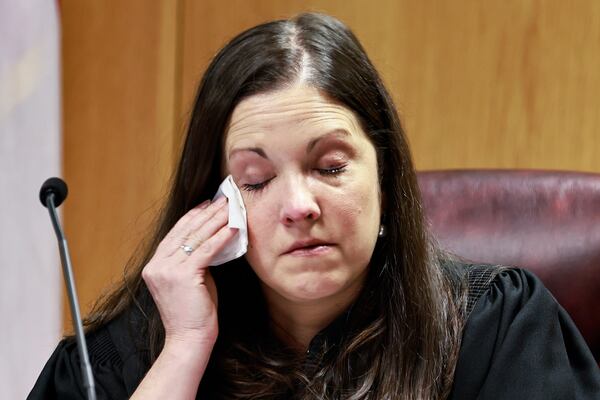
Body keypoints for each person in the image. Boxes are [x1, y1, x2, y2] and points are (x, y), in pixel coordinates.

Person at [29, 12, 600, 400]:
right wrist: (183, 350)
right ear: (214, 205)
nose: (298, 205)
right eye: (254, 181)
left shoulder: (496, 327)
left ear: (386, 176)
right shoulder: (125, 358)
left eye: (329, 168)